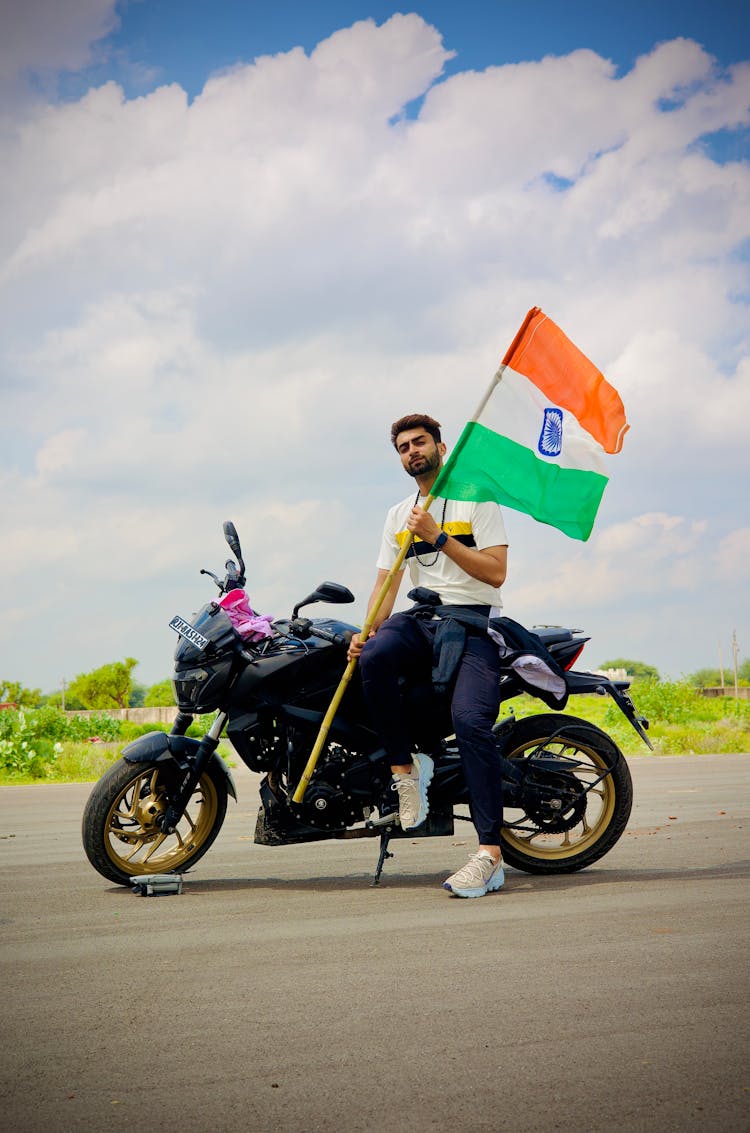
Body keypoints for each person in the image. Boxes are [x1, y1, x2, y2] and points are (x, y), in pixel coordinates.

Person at [348, 413, 509, 898]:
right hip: (422, 621)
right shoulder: (399, 515)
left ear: (442, 446)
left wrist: (438, 536)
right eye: (403, 447)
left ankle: (490, 857)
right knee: (373, 658)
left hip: (473, 623)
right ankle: (405, 771)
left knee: (472, 722)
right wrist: (366, 631)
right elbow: (387, 582)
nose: (412, 451)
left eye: (420, 442)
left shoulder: (477, 496)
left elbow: (496, 573)